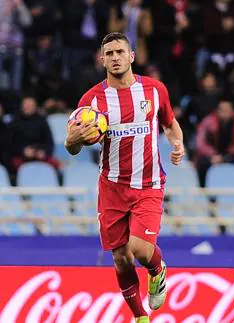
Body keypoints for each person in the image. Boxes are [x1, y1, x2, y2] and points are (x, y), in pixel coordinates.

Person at [64, 32, 185, 323]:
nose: (115, 57)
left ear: (132, 56)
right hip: (112, 187)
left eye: (120, 52)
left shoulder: (155, 90)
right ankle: (140, 317)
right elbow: (71, 146)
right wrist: (74, 139)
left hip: (148, 183)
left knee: (140, 249)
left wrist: (178, 143)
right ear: (102, 59)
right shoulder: (92, 100)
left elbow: (169, 123)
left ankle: (157, 270)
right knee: (120, 257)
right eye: (110, 53)